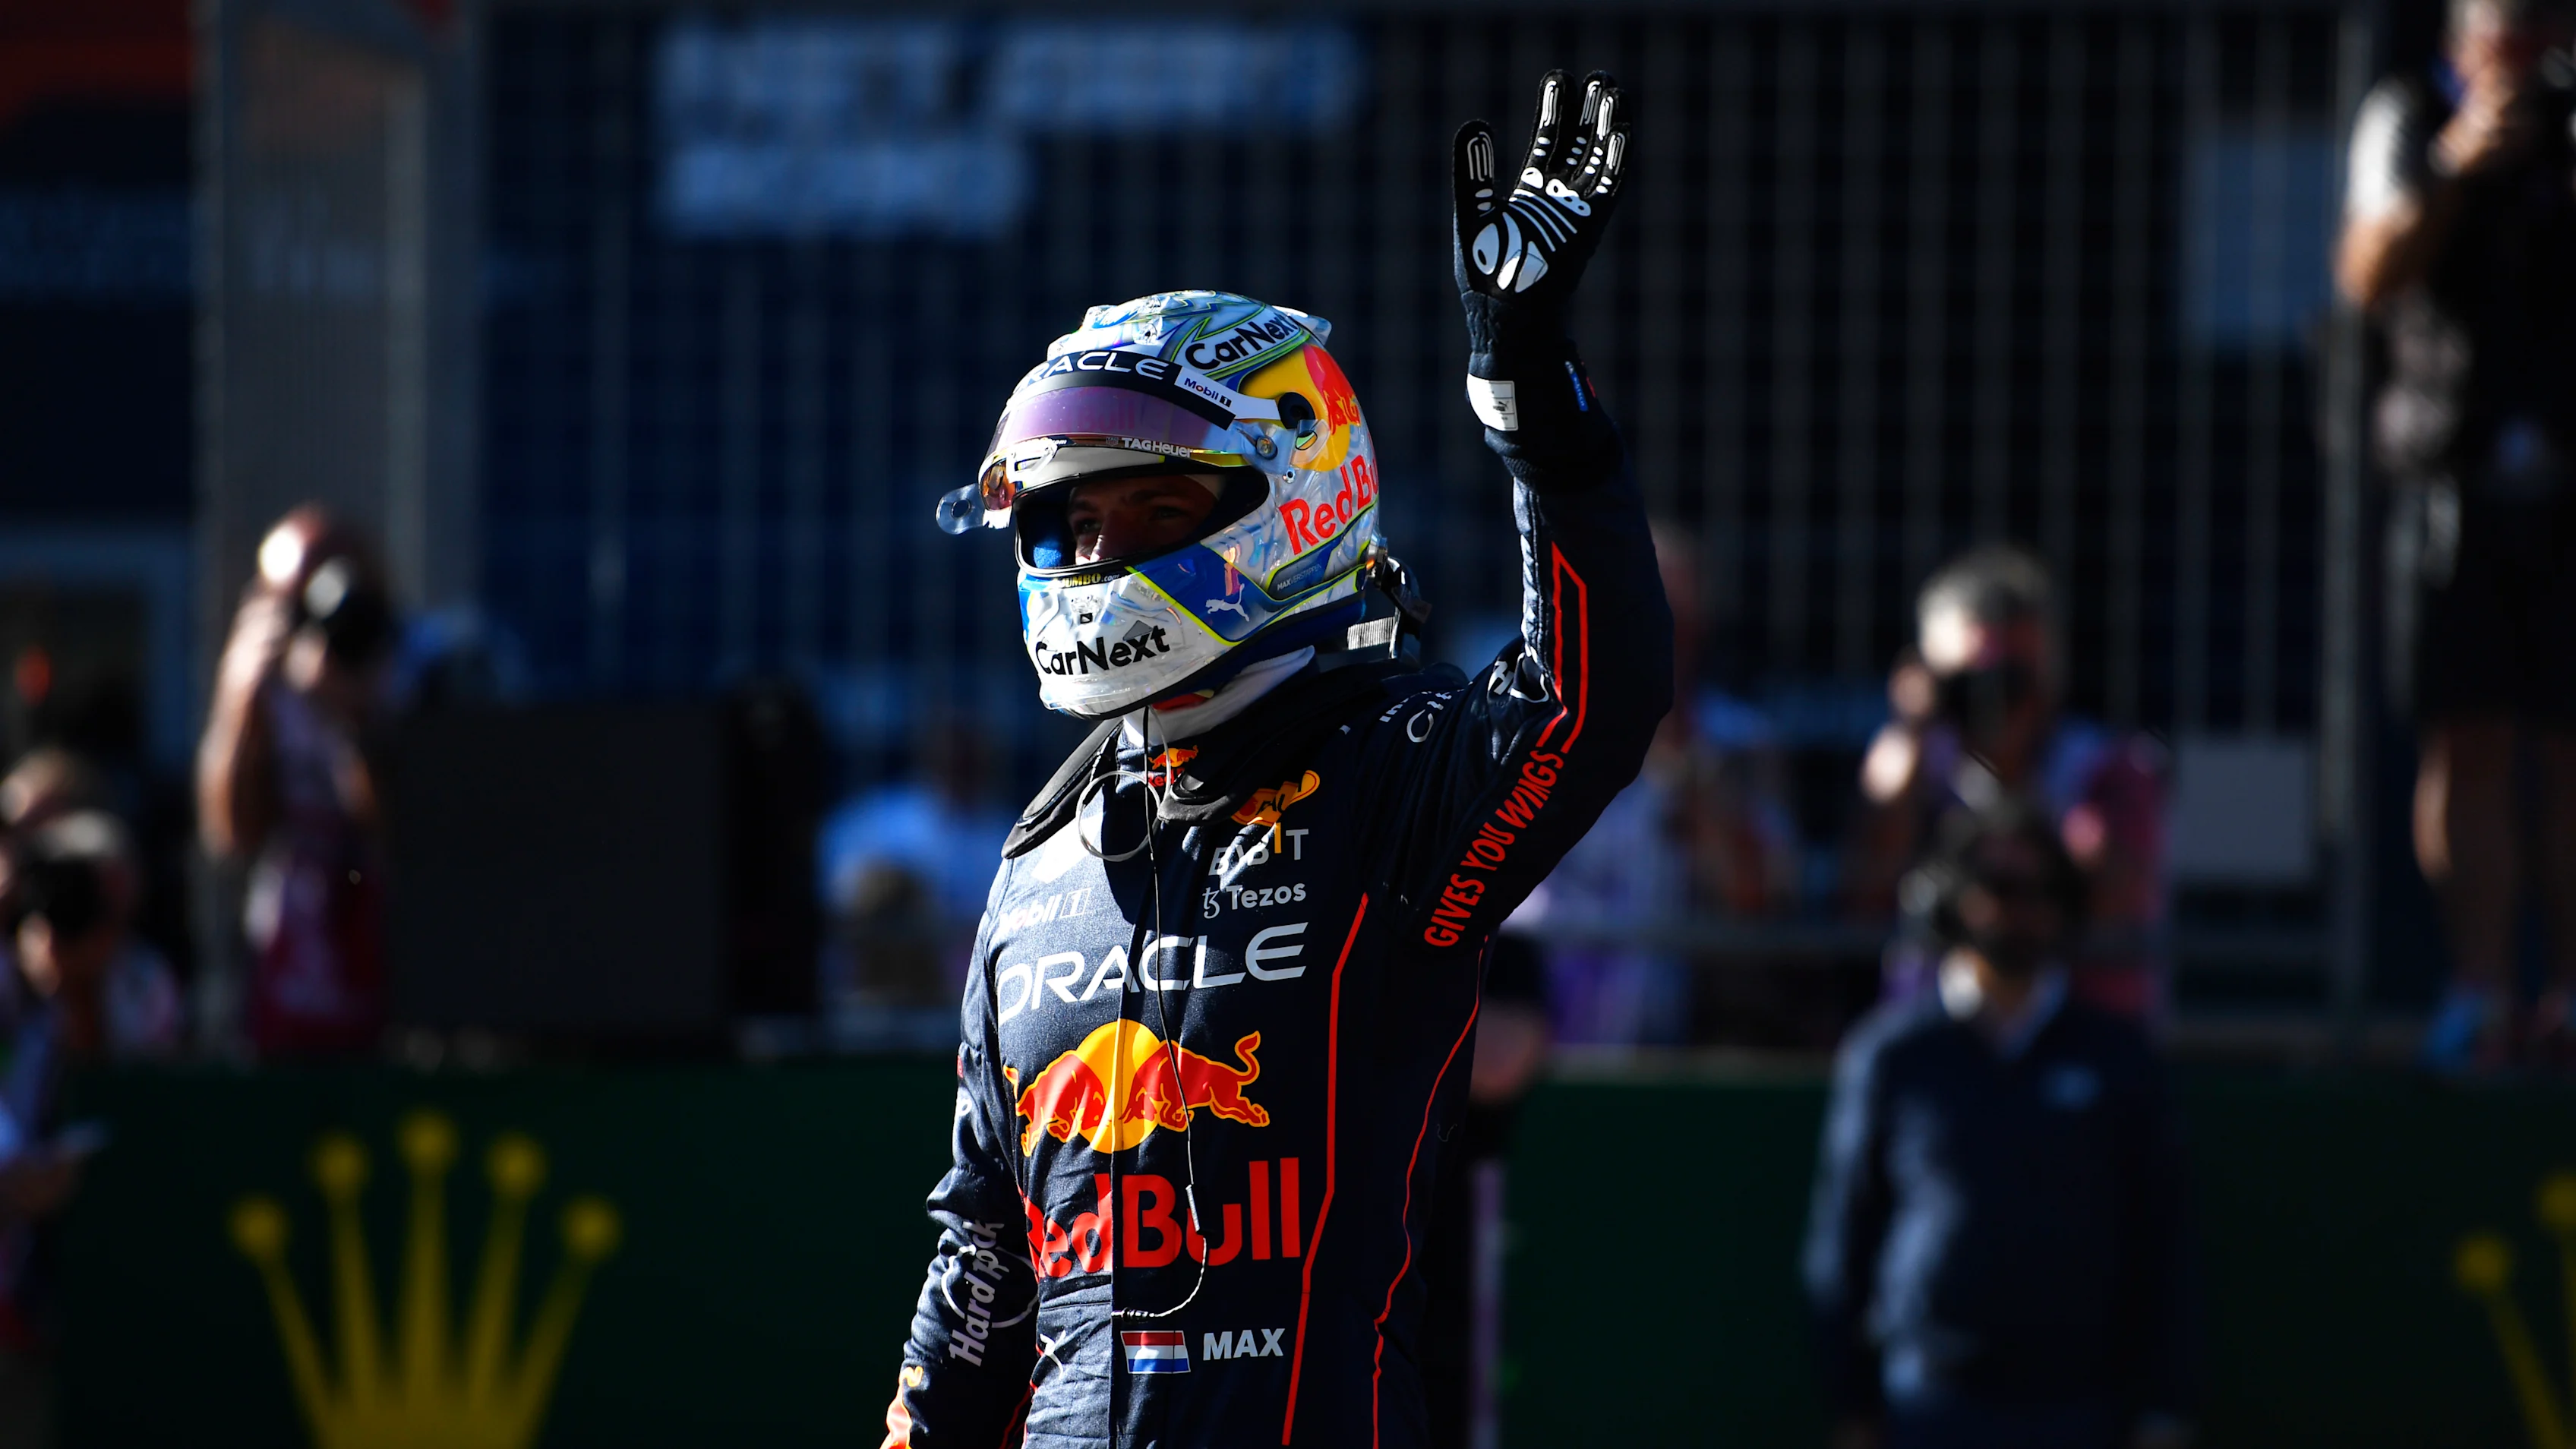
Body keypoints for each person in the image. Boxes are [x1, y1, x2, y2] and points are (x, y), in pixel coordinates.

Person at [878, 71, 1666, 1448]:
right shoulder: (1039, 848)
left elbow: (1585, 704)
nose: (1101, 553)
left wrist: (1526, 394)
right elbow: (983, 1255)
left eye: (1158, 506)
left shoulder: (1387, 775)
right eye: (1071, 519)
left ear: (1298, 497)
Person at [2335, 0, 2576, 1070]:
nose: (2520, 54)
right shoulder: (2405, 117)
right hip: (2452, 478)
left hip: (2570, 484)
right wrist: (2453, 166)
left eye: (2541, 28)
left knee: (2570, 754)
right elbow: (2367, 273)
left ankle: (2568, 997)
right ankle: (2477, 991)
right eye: (2503, 28)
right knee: (2468, 742)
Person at [1804, 800, 2196, 1449]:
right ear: (1956, 899)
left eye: (2043, 891)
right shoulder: (1893, 1055)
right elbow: (1842, 1237)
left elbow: (2166, 1244)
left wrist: (2166, 1409)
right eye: (2002, 888)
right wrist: (1851, 1405)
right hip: (1929, 1405)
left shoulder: (2120, 1060)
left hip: (2079, 1410)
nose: (2023, 911)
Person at [1846, 547, 2168, 1021]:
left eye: (2016, 678)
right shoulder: (1915, 764)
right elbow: (1863, 894)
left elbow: (2116, 905)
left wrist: (2019, 790)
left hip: (2079, 1046)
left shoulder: (2105, 770)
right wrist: (1911, 731)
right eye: (1972, 678)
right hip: (1937, 1042)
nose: (1996, 700)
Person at [197, 507, 398, 1056]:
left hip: (381, 969)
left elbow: (396, 834)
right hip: (285, 968)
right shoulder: (262, 697)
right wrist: (245, 700)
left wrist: (354, 719)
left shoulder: (402, 675)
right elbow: (232, 836)